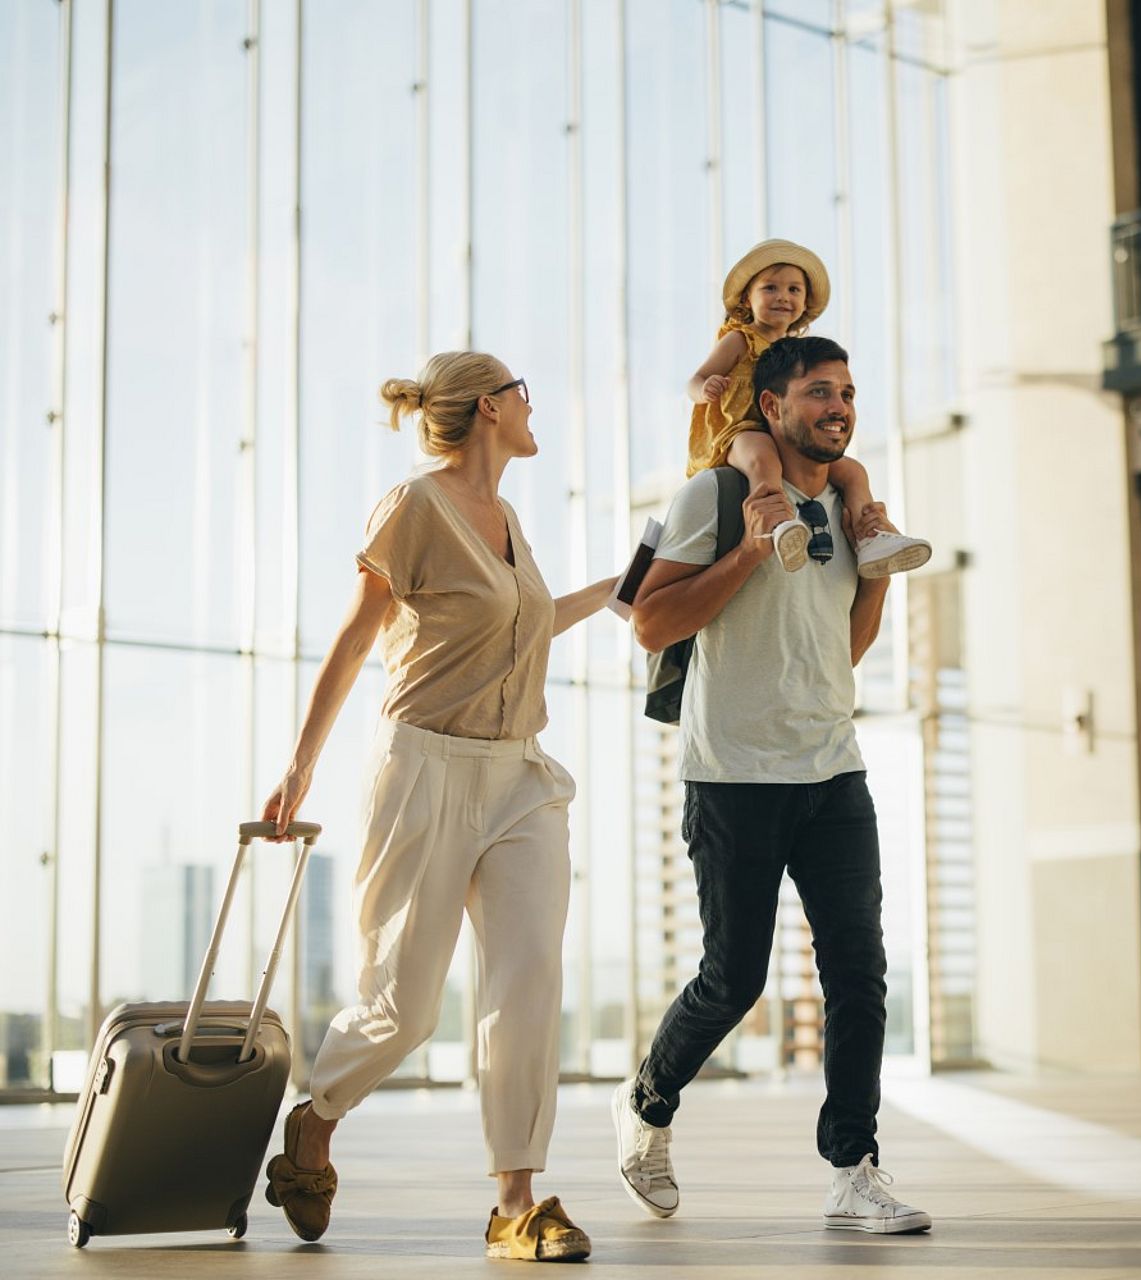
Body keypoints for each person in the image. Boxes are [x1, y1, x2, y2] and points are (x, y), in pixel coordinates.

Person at [259, 351, 615, 1262]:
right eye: (525, 393)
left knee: (528, 976)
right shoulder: (415, 507)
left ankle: (517, 1203)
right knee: (404, 1005)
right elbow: (354, 637)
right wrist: (301, 766)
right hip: (423, 768)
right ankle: (318, 1115)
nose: (536, 408)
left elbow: (524, 625)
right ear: (491, 406)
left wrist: (619, 587)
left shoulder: (511, 519)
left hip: (520, 777)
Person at [614, 334, 932, 1235]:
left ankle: (853, 1167)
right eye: (820, 392)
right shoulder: (716, 494)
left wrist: (875, 574)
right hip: (734, 776)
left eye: (849, 393)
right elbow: (648, 623)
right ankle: (645, 1105)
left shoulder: (846, 504)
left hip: (834, 769)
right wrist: (751, 553)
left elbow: (845, 648)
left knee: (859, 973)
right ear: (772, 407)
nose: (839, 407)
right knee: (733, 977)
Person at [686, 238, 930, 578]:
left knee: (853, 472)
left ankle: (871, 535)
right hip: (741, 429)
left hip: (785, 433)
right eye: (770, 288)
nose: (783, 297)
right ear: (747, 299)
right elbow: (697, 378)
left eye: (794, 290)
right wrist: (705, 390)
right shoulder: (740, 339)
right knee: (762, 458)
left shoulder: (797, 352)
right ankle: (778, 523)